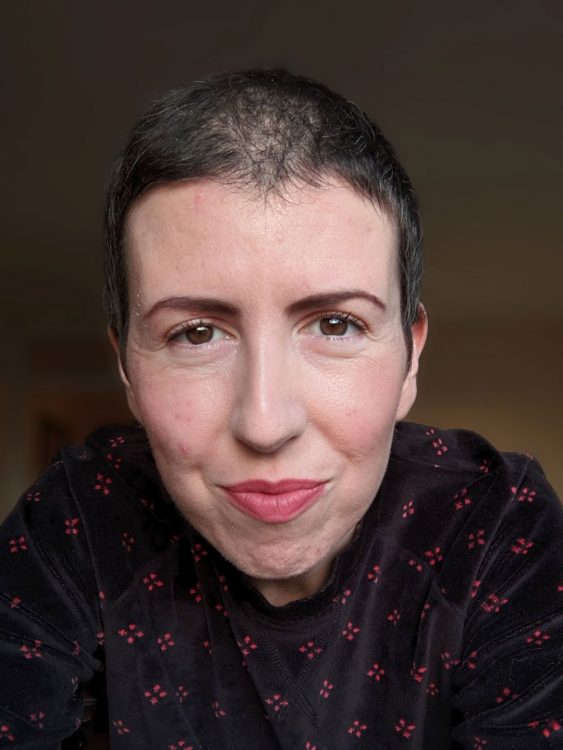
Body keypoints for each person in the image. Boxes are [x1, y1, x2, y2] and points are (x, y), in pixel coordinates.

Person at [1, 70, 562, 750]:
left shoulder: (496, 521)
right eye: (196, 334)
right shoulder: (80, 519)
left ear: (409, 359)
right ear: (126, 367)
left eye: (334, 325)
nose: (265, 424)